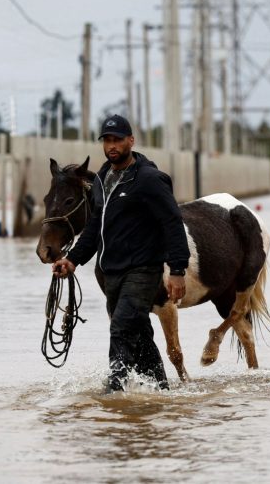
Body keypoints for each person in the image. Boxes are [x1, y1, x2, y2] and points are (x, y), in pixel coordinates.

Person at [51, 114, 189, 391]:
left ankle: (114, 393)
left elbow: (172, 222)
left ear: (131, 141)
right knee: (139, 335)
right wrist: (73, 259)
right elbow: (94, 226)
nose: (112, 145)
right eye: (107, 140)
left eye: (117, 140)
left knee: (121, 328)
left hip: (143, 269)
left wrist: (177, 270)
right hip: (112, 271)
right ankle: (161, 390)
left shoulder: (149, 179)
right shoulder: (103, 179)